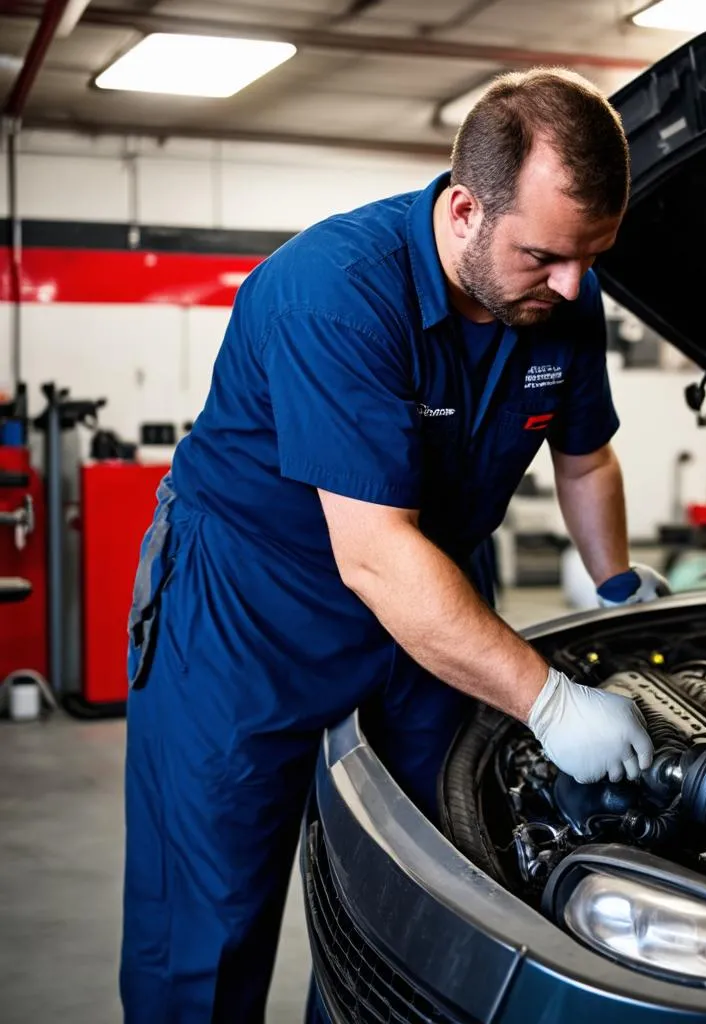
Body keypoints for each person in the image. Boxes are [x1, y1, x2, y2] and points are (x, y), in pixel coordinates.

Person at [120, 67, 668, 1023]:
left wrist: (617, 583)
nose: (576, 286)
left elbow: (585, 460)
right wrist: (546, 699)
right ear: (464, 209)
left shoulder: (563, 297)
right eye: (545, 255)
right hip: (248, 614)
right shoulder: (331, 294)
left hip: (430, 605)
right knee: (208, 924)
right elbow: (371, 552)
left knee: (428, 898)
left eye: (592, 256)